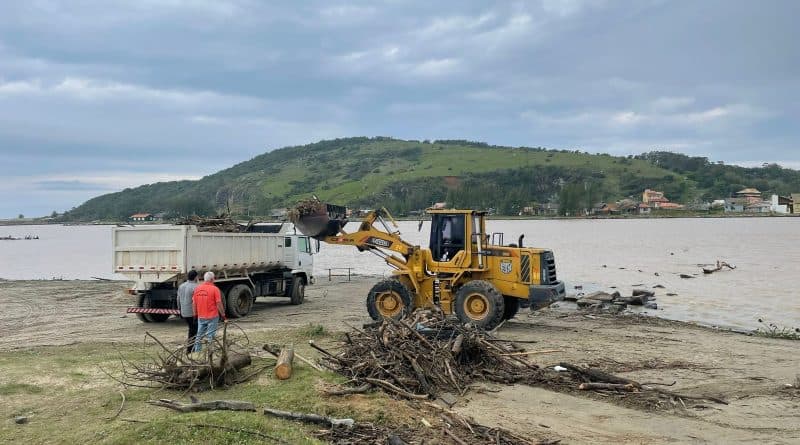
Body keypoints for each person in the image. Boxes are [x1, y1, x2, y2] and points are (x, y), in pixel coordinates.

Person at [192, 271, 227, 353]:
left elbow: (194, 303)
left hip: (201, 317)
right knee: (210, 336)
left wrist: (195, 315)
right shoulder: (215, 289)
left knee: (199, 336)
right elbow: (218, 303)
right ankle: (210, 352)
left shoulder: (197, 288)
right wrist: (223, 315)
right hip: (212, 316)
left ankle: (197, 352)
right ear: (212, 279)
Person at [176, 270, 199, 354]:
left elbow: (178, 299)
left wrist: (180, 309)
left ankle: (191, 348)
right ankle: (191, 349)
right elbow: (196, 301)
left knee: (191, 329)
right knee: (194, 330)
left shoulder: (181, 286)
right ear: (196, 277)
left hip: (184, 312)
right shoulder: (196, 287)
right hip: (192, 313)